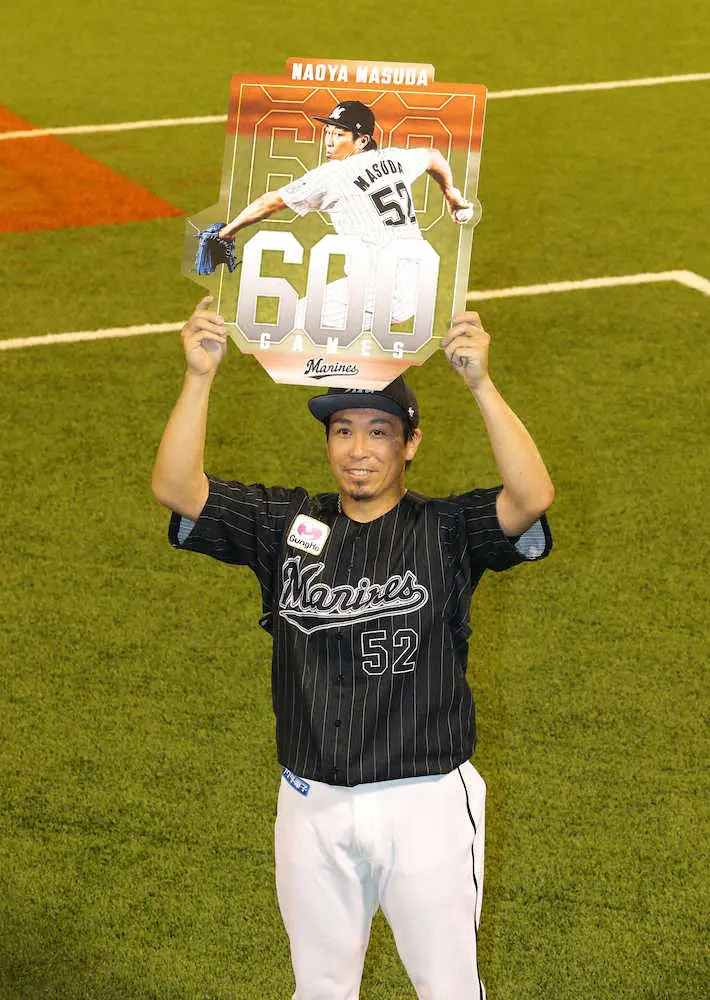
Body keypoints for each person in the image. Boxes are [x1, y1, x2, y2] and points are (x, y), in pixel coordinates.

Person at [151, 296, 554, 1000]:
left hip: (423, 801)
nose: (358, 450)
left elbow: (532, 495)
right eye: (343, 431)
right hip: (310, 803)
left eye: (378, 431)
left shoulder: (446, 529)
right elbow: (177, 488)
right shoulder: (288, 524)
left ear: (410, 443)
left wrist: (481, 385)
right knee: (320, 990)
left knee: (449, 988)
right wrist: (198, 377)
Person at [218, 100, 474, 333]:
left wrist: (226, 232)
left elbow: (271, 202)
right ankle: (368, 377)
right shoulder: (396, 158)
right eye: (327, 132)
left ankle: (353, 380)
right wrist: (451, 194)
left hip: (383, 293)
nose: (329, 140)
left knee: (302, 318)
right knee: (330, 314)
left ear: (361, 140)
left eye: (338, 134)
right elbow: (433, 157)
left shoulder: (335, 174)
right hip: (417, 285)